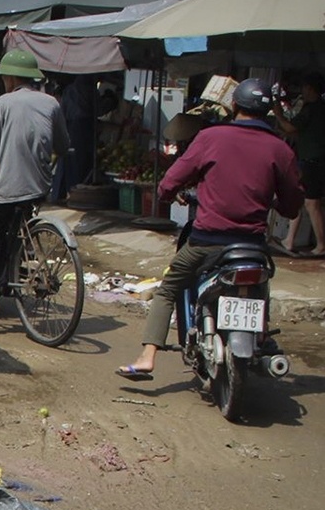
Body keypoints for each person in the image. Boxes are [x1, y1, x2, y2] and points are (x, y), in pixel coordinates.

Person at [117, 78, 302, 380]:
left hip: (207, 242)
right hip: (252, 247)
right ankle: (262, 335)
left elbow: (170, 182)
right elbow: (293, 201)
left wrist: (168, 192)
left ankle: (147, 356)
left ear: (233, 106)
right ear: (267, 113)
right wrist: (279, 206)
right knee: (262, 287)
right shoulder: (280, 149)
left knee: (168, 289)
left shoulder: (210, 137)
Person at [0, 49, 68, 318]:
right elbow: (63, 145)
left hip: (11, 185)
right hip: (41, 185)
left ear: (10, 78)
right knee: (15, 228)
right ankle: (14, 267)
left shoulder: (4, 102)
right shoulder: (52, 103)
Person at [277, 72, 325, 256]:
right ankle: (289, 239)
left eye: (304, 87)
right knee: (300, 198)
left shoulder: (311, 109)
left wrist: (278, 113)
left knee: (311, 203)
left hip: (313, 160)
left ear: (310, 89)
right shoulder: (324, 109)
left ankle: (321, 244)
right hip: (316, 158)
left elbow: (290, 128)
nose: (302, 91)